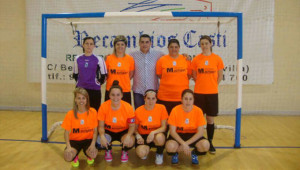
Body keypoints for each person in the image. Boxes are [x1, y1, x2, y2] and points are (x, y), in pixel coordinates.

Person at [191, 35, 224, 154]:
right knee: (198, 119)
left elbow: (220, 76)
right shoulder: (196, 59)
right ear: (200, 45)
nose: (204, 46)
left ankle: (210, 142)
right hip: (199, 93)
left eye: (206, 43)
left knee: (210, 119)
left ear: (211, 44)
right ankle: (198, 141)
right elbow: (194, 75)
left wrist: (212, 85)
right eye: (202, 43)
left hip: (212, 94)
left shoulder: (217, 59)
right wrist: (201, 84)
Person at [165, 89, 209, 165]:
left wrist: (186, 144)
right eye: (185, 99)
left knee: (205, 145)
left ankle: (194, 153)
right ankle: (175, 154)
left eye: (190, 99)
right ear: (181, 100)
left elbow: (200, 132)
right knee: (170, 146)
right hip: (178, 135)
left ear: (193, 100)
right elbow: (172, 131)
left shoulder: (198, 111)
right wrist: (183, 143)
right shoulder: (175, 110)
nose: (188, 101)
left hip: (193, 135)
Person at [97, 80, 135, 163]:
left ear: (121, 95)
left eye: (118, 95)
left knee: (131, 141)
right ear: (109, 95)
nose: (115, 98)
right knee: (99, 140)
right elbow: (100, 126)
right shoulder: (103, 107)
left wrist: (128, 135)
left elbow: (132, 126)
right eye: (113, 95)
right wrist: (102, 136)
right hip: (109, 131)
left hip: (123, 131)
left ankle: (125, 151)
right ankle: (108, 150)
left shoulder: (128, 107)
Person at [61, 88, 98, 168]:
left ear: (87, 100)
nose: (81, 100)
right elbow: (66, 132)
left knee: (94, 154)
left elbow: (95, 130)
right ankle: (75, 156)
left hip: (88, 140)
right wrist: (68, 147)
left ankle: (88, 155)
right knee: (67, 157)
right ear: (75, 100)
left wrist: (93, 144)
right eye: (79, 98)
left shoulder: (93, 112)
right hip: (75, 141)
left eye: (83, 98)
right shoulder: (70, 114)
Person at [156, 39, 192, 114]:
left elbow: (189, 75)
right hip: (164, 97)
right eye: (171, 47)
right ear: (168, 48)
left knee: (180, 122)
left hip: (181, 97)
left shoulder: (185, 59)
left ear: (179, 48)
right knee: (165, 122)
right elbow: (159, 75)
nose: (174, 49)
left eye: (176, 47)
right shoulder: (161, 60)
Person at [129, 34, 165, 109]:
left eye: (147, 42)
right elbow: (121, 58)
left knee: (154, 112)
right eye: (142, 42)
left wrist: (186, 56)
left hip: (153, 90)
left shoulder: (158, 54)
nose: (144, 44)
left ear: (150, 43)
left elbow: (171, 57)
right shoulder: (132, 55)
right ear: (139, 43)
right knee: (139, 112)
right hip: (138, 90)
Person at [73, 36, 107, 111]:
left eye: (91, 44)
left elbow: (104, 76)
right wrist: (81, 83)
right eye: (87, 43)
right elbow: (75, 74)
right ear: (83, 45)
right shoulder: (77, 58)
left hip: (94, 90)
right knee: (80, 111)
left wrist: (97, 83)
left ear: (94, 46)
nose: (89, 46)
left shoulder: (99, 59)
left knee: (94, 111)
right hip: (80, 90)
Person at [135, 89, 168, 165]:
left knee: (160, 137)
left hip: (156, 135)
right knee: (141, 153)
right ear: (144, 99)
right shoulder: (138, 110)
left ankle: (159, 153)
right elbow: (135, 129)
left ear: (156, 99)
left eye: (153, 98)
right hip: (144, 137)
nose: (151, 101)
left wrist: (153, 132)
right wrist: (138, 137)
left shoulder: (162, 108)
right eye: (148, 98)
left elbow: (164, 127)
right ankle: (146, 149)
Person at [105, 35, 135, 104]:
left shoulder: (130, 59)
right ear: (114, 46)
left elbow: (131, 75)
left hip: (125, 90)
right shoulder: (108, 58)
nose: (120, 46)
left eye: (122, 44)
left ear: (125, 46)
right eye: (117, 44)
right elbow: (106, 75)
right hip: (110, 90)